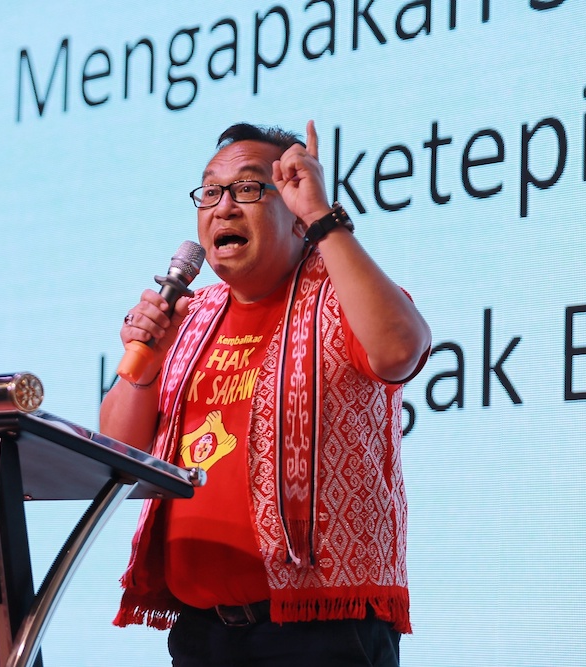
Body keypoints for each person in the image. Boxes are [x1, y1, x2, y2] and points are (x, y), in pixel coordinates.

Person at [100, 120, 431, 667]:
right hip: (202, 633)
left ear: (297, 213)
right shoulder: (189, 315)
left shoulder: (339, 293)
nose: (224, 207)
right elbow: (119, 454)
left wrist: (324, 219)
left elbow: (400, 349)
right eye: (211, 191)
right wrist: (145, 369)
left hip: (321, 632)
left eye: (249, 188)